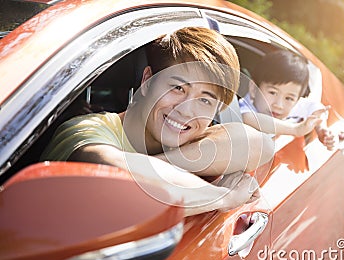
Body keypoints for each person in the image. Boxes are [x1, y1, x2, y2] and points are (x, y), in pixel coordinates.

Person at [41, 27, 274, 216]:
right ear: (148, 80)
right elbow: (111, 170)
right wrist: (224, 197)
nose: (186, 111)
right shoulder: (83, 130)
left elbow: (259, 144)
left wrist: (155, 163)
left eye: (205, 100)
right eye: (177, 88)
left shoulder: (188, 141)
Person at [239, 49, 335, 150]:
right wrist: (295, 130)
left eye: (289, 98)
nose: (279, 105)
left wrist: (321, 128)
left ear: (297, 100)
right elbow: (249, 119)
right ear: (253, 89)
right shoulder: (244, 106)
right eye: (273, 92)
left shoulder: (290, 105)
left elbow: (315, 107)